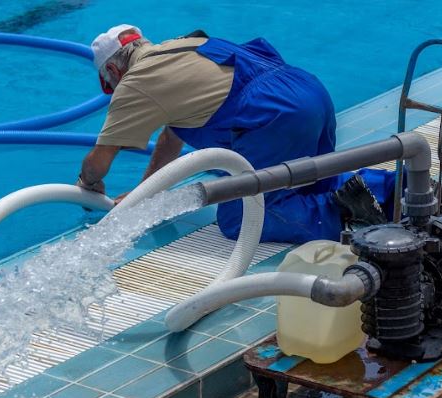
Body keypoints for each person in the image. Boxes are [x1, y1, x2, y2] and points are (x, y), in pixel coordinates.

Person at [77, 24, 399, 243]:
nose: (114, 89)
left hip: (274, 115)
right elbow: (170, 139)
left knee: (239, 218)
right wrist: (143, 195)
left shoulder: (135, 83)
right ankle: (395, 190)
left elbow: (98, 163)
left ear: (114, 72)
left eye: (110, 85)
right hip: (308, 91)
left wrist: (88, 184)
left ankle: (343, 217)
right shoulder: (184, 46)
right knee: (310, 183)